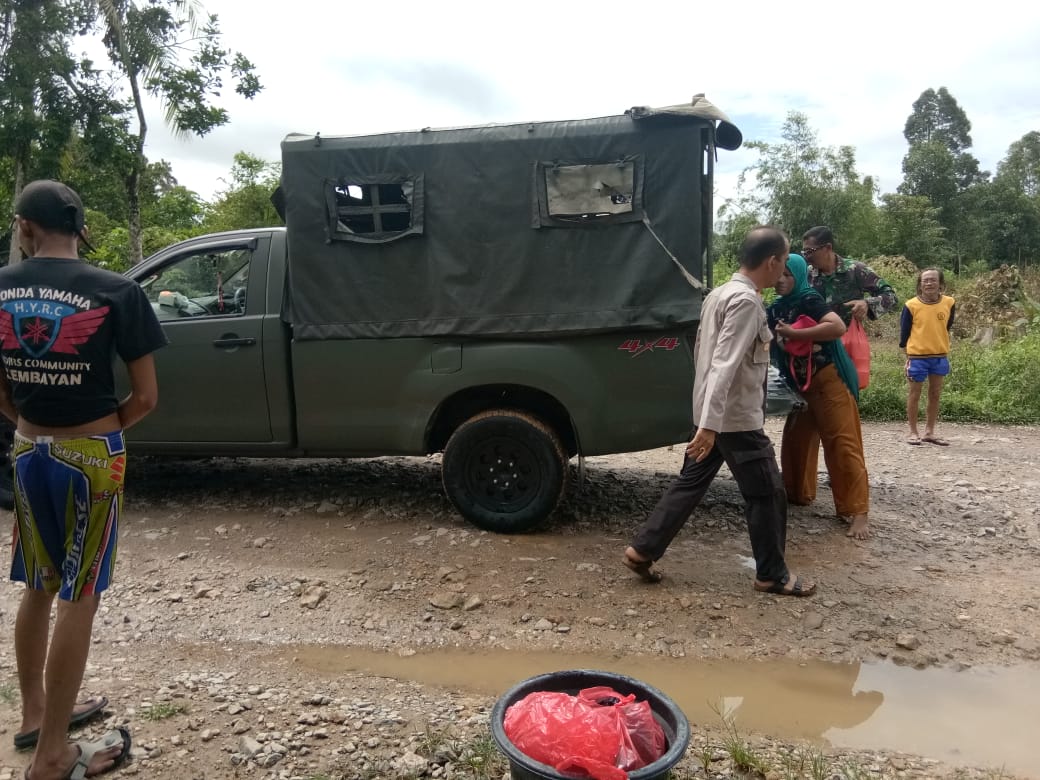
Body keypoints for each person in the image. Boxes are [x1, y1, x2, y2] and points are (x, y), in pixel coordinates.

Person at [0, 180, 167, 779]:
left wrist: (25, 421)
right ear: (79, 230)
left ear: (24, 227)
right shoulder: (116, 290)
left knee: (38, 585)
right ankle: (50, 757)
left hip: (26, 450)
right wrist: (102, 431)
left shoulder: (0, 287)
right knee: (81, 592)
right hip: (92, 454)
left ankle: (34, 717)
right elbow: (146, 396)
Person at [622, 226, 817, 597]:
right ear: (772, 261)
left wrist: (704, 420)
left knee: (690, 484)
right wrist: (711, 426)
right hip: (732, 419)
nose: (785, 272)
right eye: (784, 263)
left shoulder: (720, 294)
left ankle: (642, 550)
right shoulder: (744, 301)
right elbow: (724, 365)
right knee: (768, 493)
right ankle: (772, 575)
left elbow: (705, 358)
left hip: (714, 416)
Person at [767, 254, 872, 540]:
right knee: (795, 442)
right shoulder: (776, 307)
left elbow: (836, 327)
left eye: (788, 275)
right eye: (778, 274)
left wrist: (795, 334)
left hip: (829, 380)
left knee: (841, 443)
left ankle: (857, 511)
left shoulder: (809, 299)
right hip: (801, 385)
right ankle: (798, 495)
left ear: (798, 276)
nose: (780, 280)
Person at [900, 268, 955, 446]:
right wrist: (906, 355)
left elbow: (947, 325)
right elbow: (904, 333)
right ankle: (913, 431)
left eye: (933, 280)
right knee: (914, 393)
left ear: (940, 284)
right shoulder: (911, 305)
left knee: (935, 393)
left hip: (939, 355)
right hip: (917, 356)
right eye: (925, 281)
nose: (929, 283)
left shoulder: (949, 302)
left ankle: (930, 431)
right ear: (920, 284)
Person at [802, 226, 898, 327]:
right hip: (816, 338)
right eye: (804, 252)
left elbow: (891, 297)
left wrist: (867, 304)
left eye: (810, 251)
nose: (806, 256)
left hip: (849, 339)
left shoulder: (855, 269)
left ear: (828, 248)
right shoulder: (807, 275)